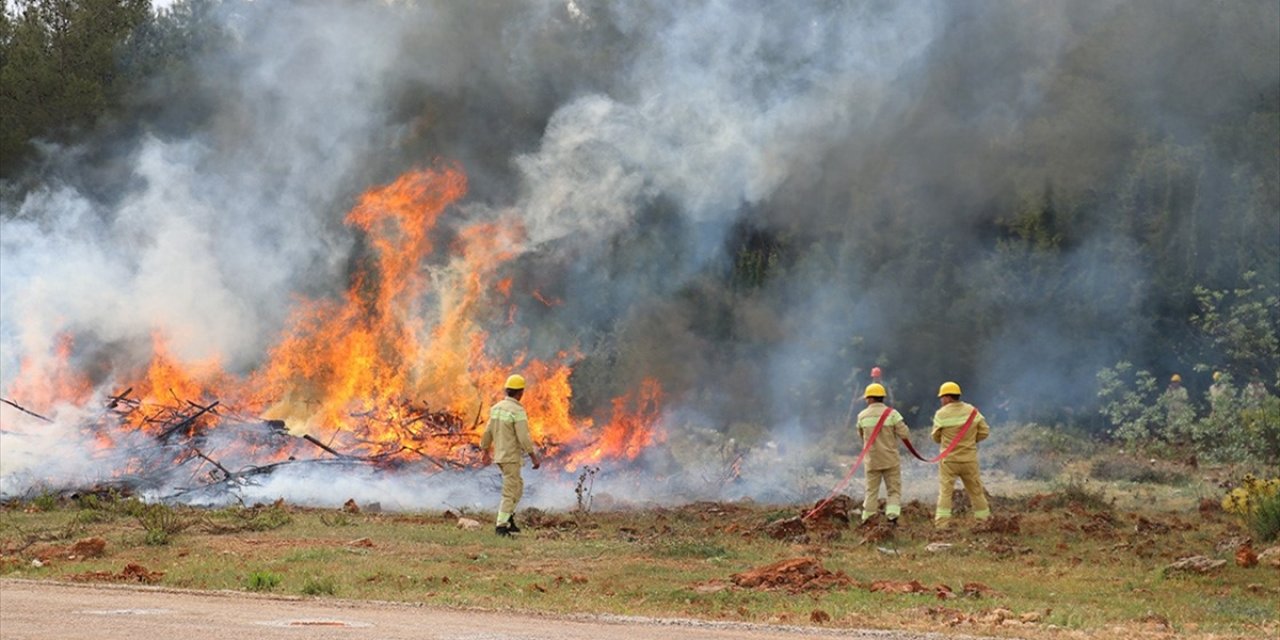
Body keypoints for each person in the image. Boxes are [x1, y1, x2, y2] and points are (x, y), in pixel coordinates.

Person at [480, 374, 541, 536]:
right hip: (511, 457)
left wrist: (485, 451)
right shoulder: (517, 410)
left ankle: (509, 518)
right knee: (510, 492)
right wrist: (533, 456)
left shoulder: (496, 408)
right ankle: (501, 527)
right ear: (520, 393)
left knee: (518, 487)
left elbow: (487, 432)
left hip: (500, 456)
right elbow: (523, 437)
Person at [931, 381, 991, 528]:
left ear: (948, 397)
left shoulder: (941, 414)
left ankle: (942, 524)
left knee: (945, 493)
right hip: (969, 460)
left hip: (949, 461)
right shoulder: (972, 411)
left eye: (942, 397)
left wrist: (947, 441)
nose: (941, 400)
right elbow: (984, 432)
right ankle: (983, 522)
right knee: (976, 492)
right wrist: (970, 440)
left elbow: (935, 437)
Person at [855, 383, 910, 524]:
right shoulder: (893, 414)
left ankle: (868, 519)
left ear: (869, 399)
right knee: (893, 491)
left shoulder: (862, 416)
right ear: (882, 398)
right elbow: (904, 434)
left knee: (871, 491)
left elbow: (861, 436)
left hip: (872, 460)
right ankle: (892, 518)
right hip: (890, 459)